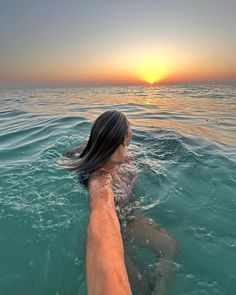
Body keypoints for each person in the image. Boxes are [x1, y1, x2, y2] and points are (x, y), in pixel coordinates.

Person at [60, 110, 180, 295]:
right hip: (116, 225)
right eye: (130, 127)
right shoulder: (101, 178)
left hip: (129, 215)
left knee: (170, 245)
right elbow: (102, 210)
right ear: (125, 137)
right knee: (139, 285)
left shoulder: (122, 159)